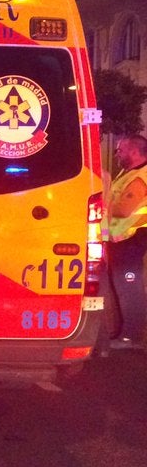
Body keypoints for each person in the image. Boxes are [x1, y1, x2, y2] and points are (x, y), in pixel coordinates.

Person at [108, 134, 147, 348]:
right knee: (122, 286)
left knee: (129, 287)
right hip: (121, 239)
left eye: (120, 150)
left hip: (131, 240)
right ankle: (124, 332)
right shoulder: (129, 173)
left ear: (134, 151)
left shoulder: (141, 176)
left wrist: (98, 204)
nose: (117, 153)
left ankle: (131, 337)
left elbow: (123, 210)